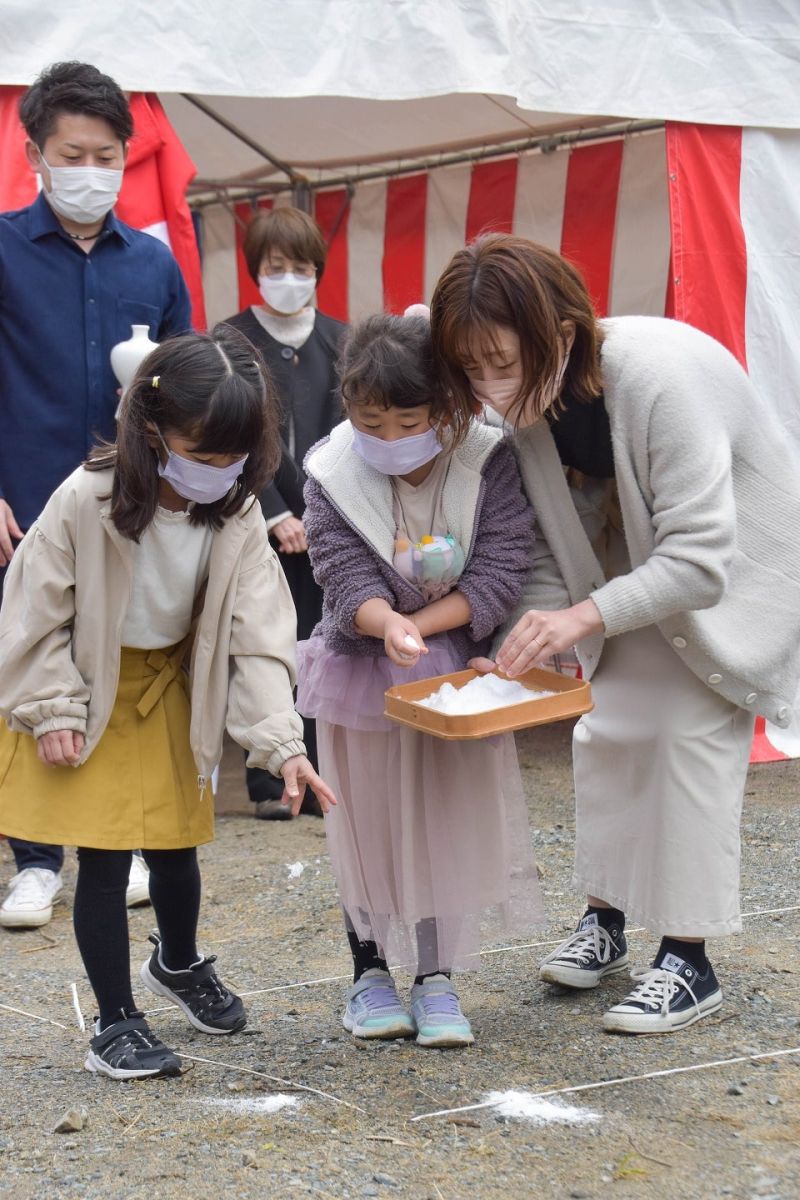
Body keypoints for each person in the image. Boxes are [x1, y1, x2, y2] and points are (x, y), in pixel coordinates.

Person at [430, 233, 800, 1035]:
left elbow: (700, 561)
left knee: (682, 738)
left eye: (504, 363)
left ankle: (689, 959)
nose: (490, 391)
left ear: (561, 333)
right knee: (608, 732)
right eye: (472, 370)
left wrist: (580, 618)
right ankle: (606, 921)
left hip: (735, 572)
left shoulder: (661, 377)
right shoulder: (526, 405)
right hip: (628, 572)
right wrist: (530, 640)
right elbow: (545, 547)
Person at [0, 326, 335, 1079]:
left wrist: (281, 742)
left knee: (179, 848)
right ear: (151, 432)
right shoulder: (86, 498)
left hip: (171, 690)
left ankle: (178, 964)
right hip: (93, 692)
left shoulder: (238, 511)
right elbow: (32, 611)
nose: (218, 474)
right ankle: (115, 1024)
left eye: (234, 461)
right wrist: (52, 707)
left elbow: (258, 635)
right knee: (107, 857)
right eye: (203, 457)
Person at [296, 312, 542, 1048]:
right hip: (359, 668)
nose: (393, 436)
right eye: (373, 420)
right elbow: (337, 569)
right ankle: (368, 973)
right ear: (349, 408)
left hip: (447, 670)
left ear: (447, 406)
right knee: (365, 822)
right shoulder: (331, 470)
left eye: (411, 418)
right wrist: (383, 622)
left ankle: (437, 978)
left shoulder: (487, 458)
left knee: (444, 818)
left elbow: (504, 561)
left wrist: (421, 628)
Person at [0, 60, 192, 926]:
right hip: (23, 499)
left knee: (125, 663)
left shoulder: (152, 262)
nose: (91, 171)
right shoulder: (2, 248)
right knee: (31, 663)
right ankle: (35, 858)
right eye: (72, 153)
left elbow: (193, 385)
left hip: (129, 507)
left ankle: (127, 837)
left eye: (107, 156)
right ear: (35, 152)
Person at [223, 207, 346, 820]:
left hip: (333, 522)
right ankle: (270, 783)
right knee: (265, 643)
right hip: (252, 519)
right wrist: (271, 510)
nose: (289, 278)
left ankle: (325, 777)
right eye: (276, 267)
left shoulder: (344, 339)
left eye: (301, 267)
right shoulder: (229, 340)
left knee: (328, 642)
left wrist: (324, 514)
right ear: (256, 272)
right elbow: (230, 435)